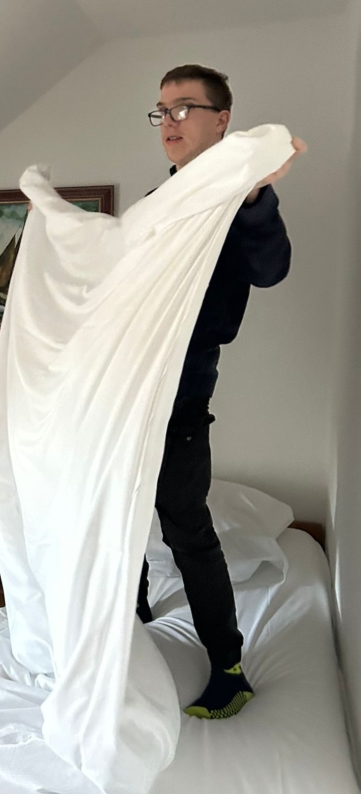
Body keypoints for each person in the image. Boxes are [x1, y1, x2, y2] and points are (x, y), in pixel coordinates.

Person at [138, 64, 306, 719]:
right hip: (127, 396)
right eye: (161, 111)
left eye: (184, 107)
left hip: (180, 398)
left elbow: (270, 268)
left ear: (221, 120)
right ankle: (130, 622)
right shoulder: (160, 200)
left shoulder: (238, 199)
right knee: (119, 521)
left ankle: (228, 669)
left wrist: (255, 195)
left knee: (186, 530)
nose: (169, 121)